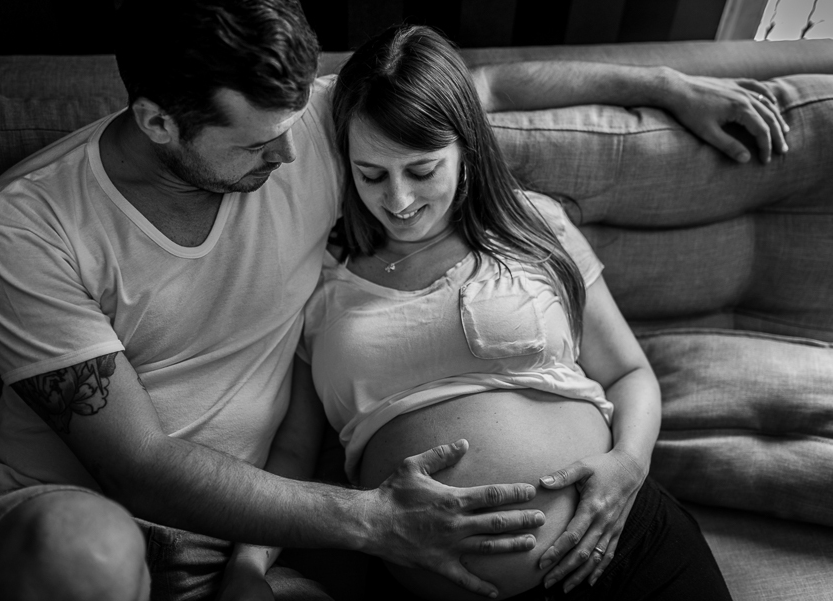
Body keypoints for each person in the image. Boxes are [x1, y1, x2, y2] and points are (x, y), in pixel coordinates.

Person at [0, 0, 786, 599]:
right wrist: (375, 522)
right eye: (260, 145)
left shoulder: (306, 126)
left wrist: (673, 86)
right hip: (81, 509)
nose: (295, 160)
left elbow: (478, 90)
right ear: (160, 124)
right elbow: (139, 466)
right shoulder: (24, 228)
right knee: (83, 550)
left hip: (268, 524)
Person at [271, 24, 732, 600]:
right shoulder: (316, 279)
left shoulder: (531, 226)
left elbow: (629, 373)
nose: (399, 201)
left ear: (466, 146)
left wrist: (629, 466)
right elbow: (290, 455)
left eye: (422, 170)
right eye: (371, 175)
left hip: (621, 547)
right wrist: (247, 566)